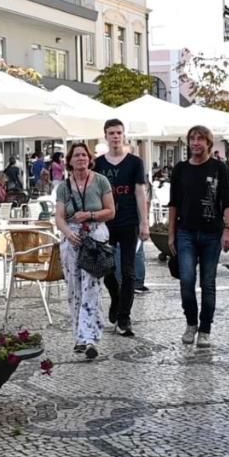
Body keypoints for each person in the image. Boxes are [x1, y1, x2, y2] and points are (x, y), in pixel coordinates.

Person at [168, 125, 229, 348]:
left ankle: (205, 328)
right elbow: (174, 204)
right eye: (192, 139)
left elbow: (227, 201)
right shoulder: (180, 169)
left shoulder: (218, 168)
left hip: (212, 233)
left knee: (208, 283)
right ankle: (190, 323)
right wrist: (171, 235)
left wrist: (228, 229)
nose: (196, 143)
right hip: (185, 231)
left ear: (208, 143)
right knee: (187, 281)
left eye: (200, 139)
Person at [56, 142, 116, 360]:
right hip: (71, 239)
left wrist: (90, 216)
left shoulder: (100, 181)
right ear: (70, 161)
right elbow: (59, 217)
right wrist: (67, 233)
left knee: (92, 287)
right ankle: (79, 336)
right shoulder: (63, 187)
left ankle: (90, 338)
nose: (80, 158)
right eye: (76, 155)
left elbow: (111, 211)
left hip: (95, 238)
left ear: (89, 159)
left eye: (84, 155)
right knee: (74, 289)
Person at [93, 119, 149, 337]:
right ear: (105, 136)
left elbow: (139, 193)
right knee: (105, 269)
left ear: (123, 135)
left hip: (128, 222)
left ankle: (124, 317)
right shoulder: (98, 164)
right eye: (111, 133)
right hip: (105, 223)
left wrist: (144, 223)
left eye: (118, 132)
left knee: (128, 271)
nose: (115, 136)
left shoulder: (135, 162)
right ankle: (116, 298)